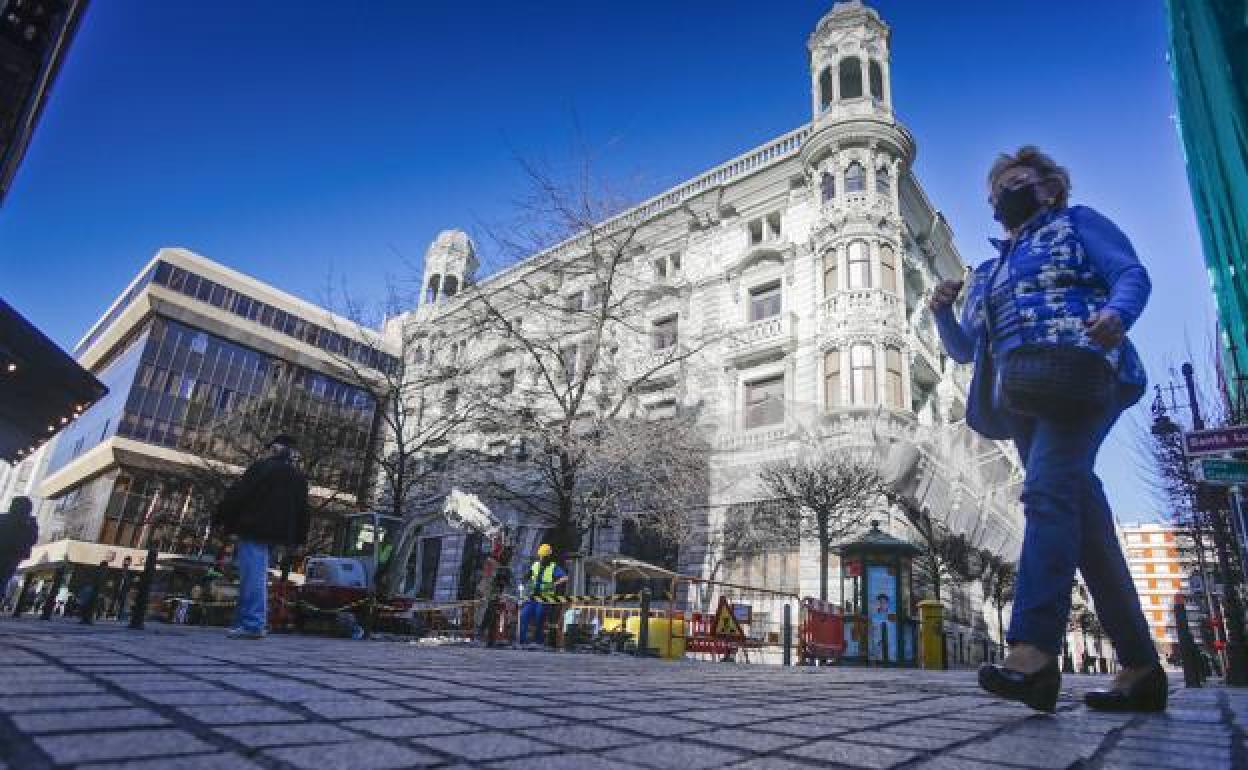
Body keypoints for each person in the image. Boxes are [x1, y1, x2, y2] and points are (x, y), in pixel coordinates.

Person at [931, 146, 1165, 713]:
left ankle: (1033, 652)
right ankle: (1140, 669)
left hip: (1083, 373)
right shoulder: (986, 272)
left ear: (1049, 186)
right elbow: (965, 351)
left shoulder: (1077, 224)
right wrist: (940, 310)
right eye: (996, 189)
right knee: (1084, 524)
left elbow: (1129, 273)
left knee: (1045, 495)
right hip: (1022, 398)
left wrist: (1116, 314)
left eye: (1016, 180)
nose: (1003, 193)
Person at [212, 434, 309, 640]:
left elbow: (239, 494)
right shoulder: (298, 477)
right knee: (255, 573)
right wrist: (299, 540)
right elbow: (303, 511)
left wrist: (220, 518)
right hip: (279, 533)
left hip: (253, 527)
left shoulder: (262, 468)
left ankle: (252, 623)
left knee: (252, 574)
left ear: (276, 449)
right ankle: (244, 621)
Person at [516, 543, 567, 649]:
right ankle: (522, 641)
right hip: (532, 597)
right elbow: (528, 574)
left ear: (548, 556)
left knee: (540, 618)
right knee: (524, 616)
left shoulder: (553, 567)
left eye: (543, 556)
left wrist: (553, 584)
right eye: (540, 556)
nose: (541, 558)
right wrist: (524, 580)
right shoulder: (535, 565)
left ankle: (538, 642)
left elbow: (564, 577)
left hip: (544, 598)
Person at [0, 497, 38, 593]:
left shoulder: (3, 518)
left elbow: (33, 540)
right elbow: (33, 540)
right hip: (14, 556)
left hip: (9, 554)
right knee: (3, 580)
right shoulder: (30, 523)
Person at [79, 559, 109, 624]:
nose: (106, 568)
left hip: (93, 590)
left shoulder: (98, 571)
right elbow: (99, 582)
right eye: (106, 566)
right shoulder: (101, 572)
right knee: (90, 606)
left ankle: (86, 619)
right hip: (94, 590)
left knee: (89, 606)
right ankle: (86, 619)